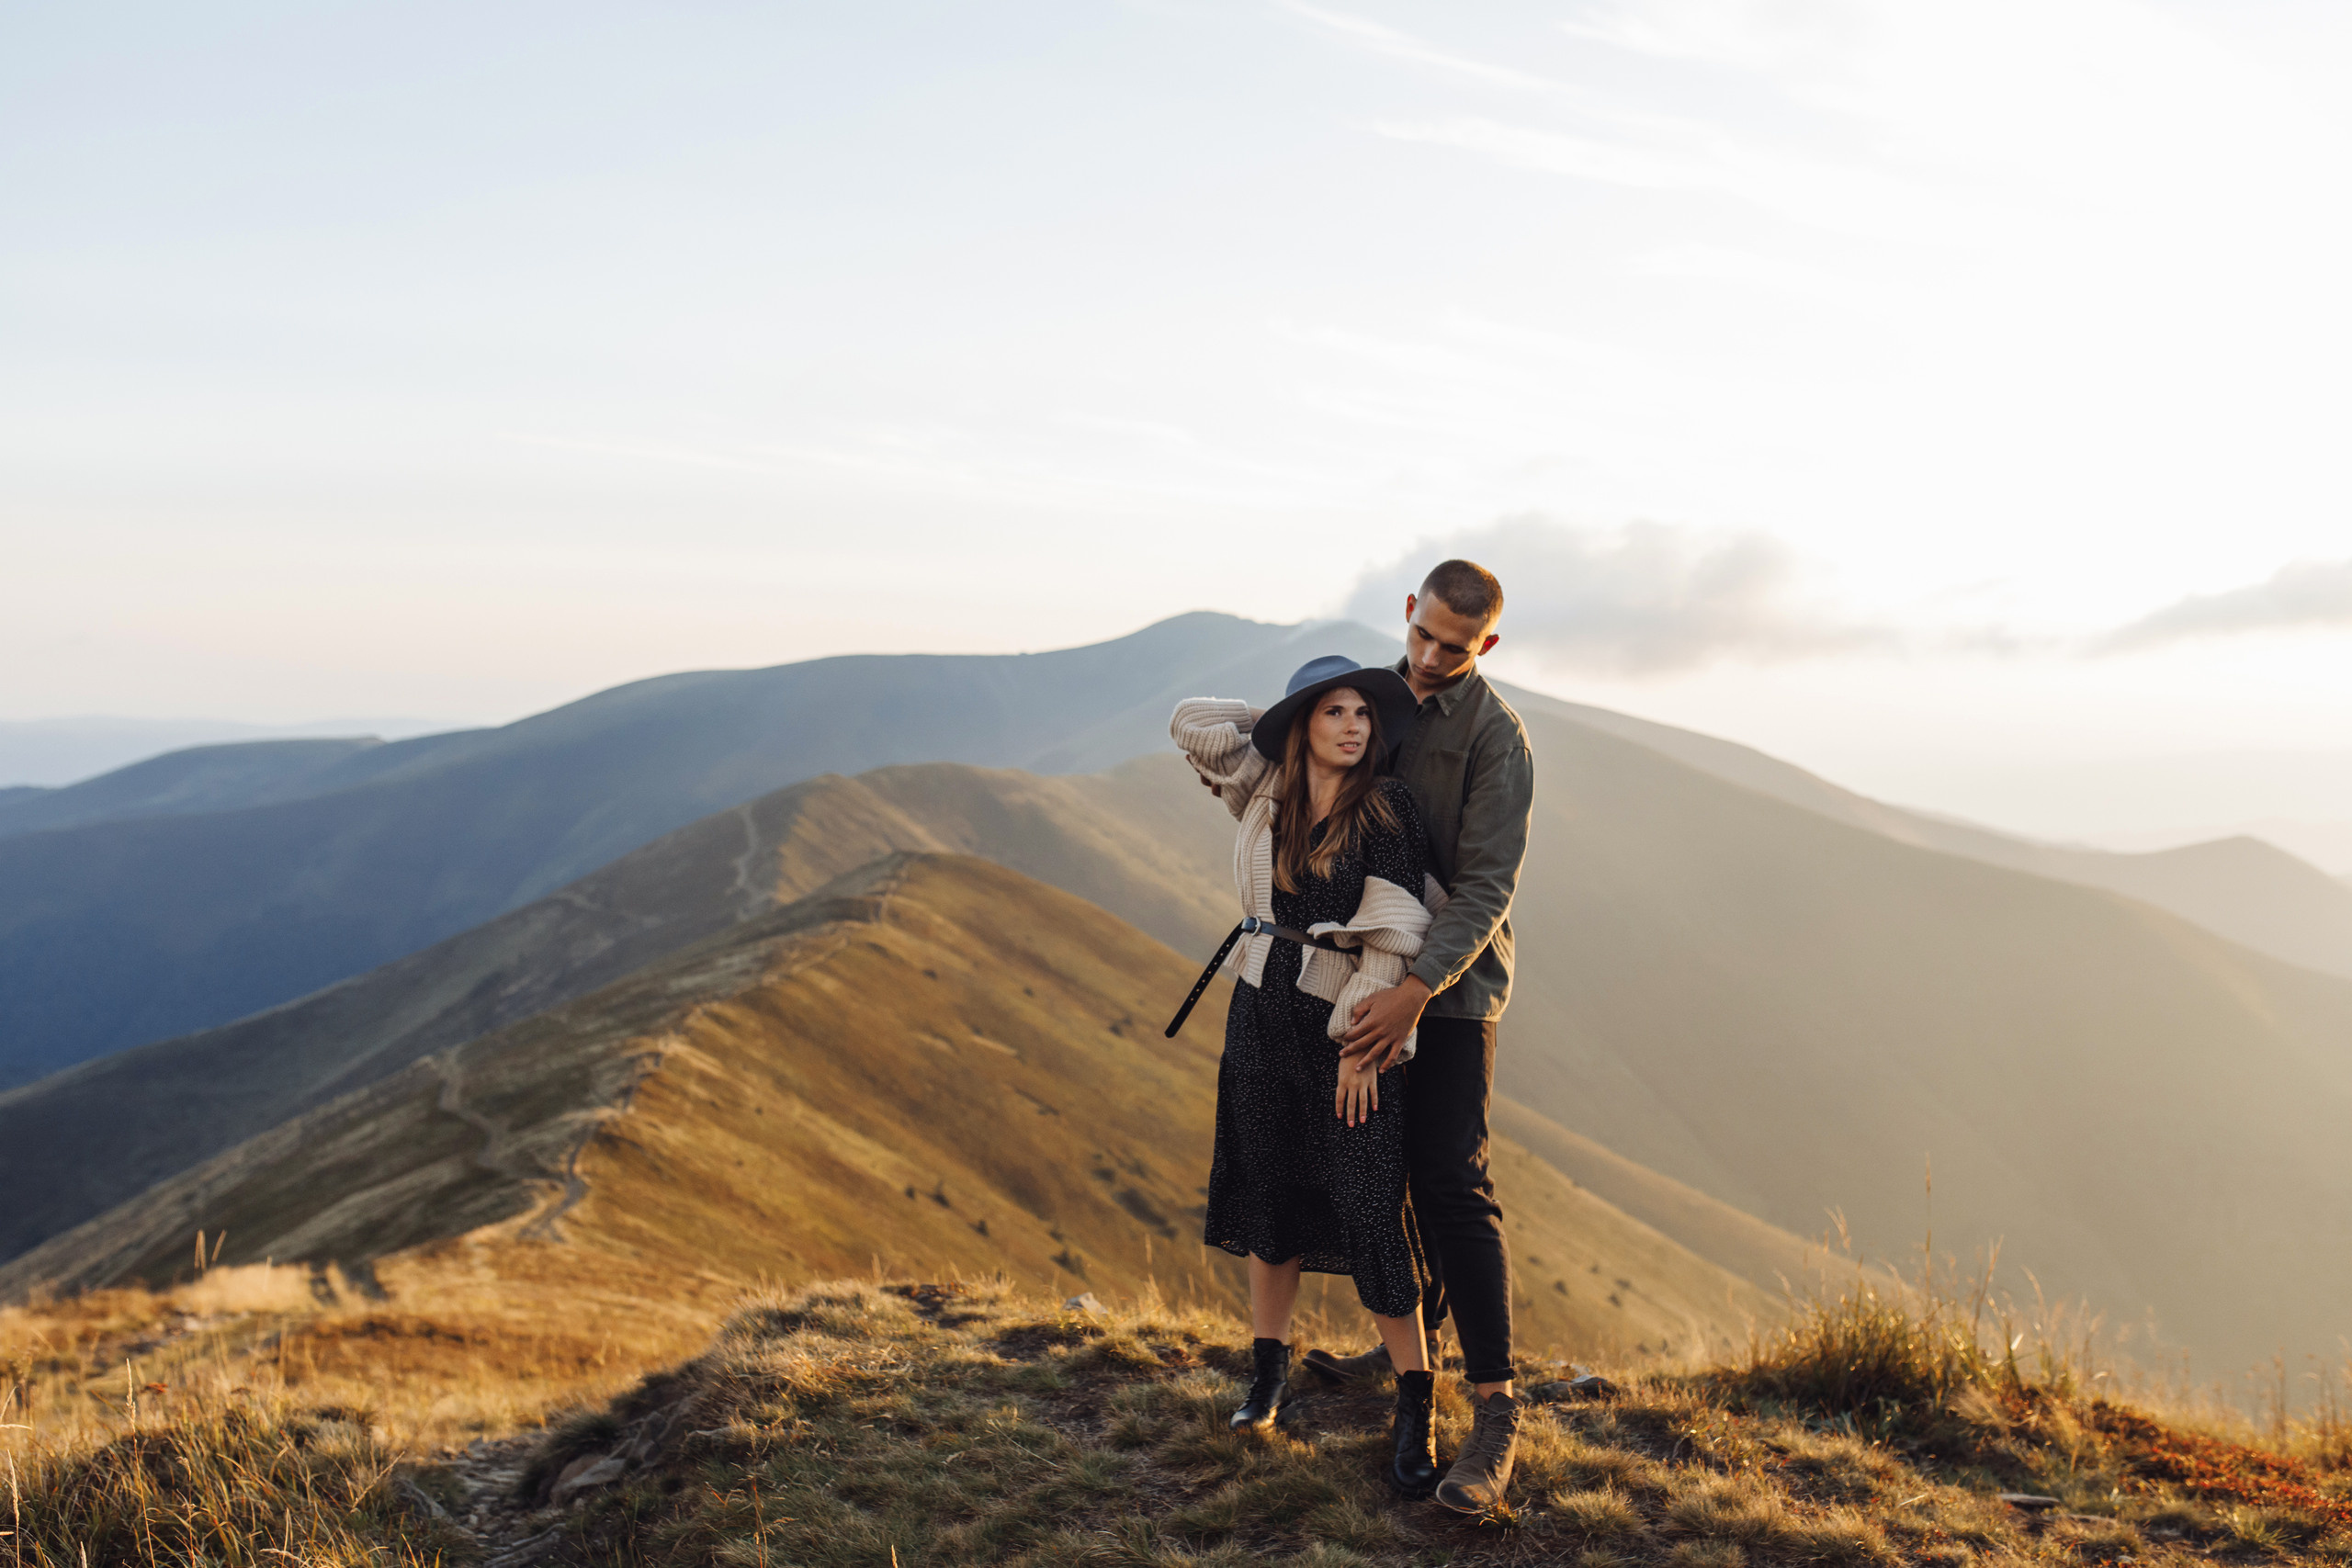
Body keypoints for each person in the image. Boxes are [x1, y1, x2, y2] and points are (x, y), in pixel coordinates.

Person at [1170, 655, 1449, 1498]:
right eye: (1332, 711)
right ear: (1302, 724)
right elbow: (1190, 721)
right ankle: (1267, 1375)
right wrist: (1279, 718)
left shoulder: (1386, 806)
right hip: (1257, 1014)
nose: (1355, 726)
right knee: (1269, 1191)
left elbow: (1396, 934)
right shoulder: (1266, 788)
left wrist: (1360, 1050)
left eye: (1364, 712)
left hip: (1341, 1028)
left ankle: (1415, 1403)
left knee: (1369, 1205)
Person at [1297, 558, 1534, 1516]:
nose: (1434, 657)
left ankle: (1495, 1414)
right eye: (1425, 635)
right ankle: (1409, 1358)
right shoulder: (1368, 702)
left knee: (1450, 1186)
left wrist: (1422, 988)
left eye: (1456, 645)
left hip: (1455, 990)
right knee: (1378, 1169)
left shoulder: (1496, 740)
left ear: (1488, 646)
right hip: (1367, 979)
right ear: (1407, 613)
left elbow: (1486, 885)